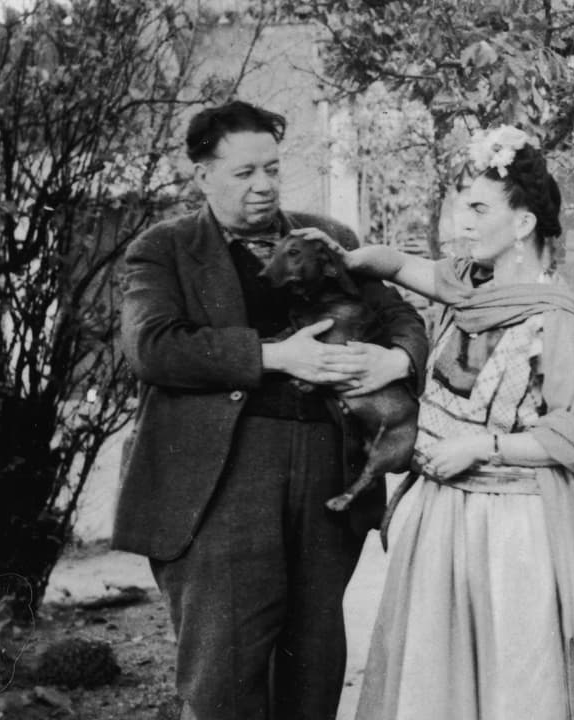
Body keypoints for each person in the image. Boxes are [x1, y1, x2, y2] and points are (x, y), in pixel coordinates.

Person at [114, 100, 428, 720]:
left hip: (327, 470)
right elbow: (152, 346)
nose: (264, 185)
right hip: (224, 478)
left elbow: (402, 319)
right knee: (224, 673)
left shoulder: (327, 239)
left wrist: (395, 362)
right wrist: (278, 357)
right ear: (203, 174)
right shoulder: (164, 248)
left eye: (273, 169)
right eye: (244, 172)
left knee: (312, 665)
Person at [341, 126, 574, 720]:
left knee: (517, 679)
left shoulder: (556, 317)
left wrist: (484, 446)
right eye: (461, 207)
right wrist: (351, 259)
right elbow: (398, 264)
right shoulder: (466, 289)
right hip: (444, 520)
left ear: (524, 223)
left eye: (479, 209)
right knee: (439, 682)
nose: (462, 223)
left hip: (521, 527)